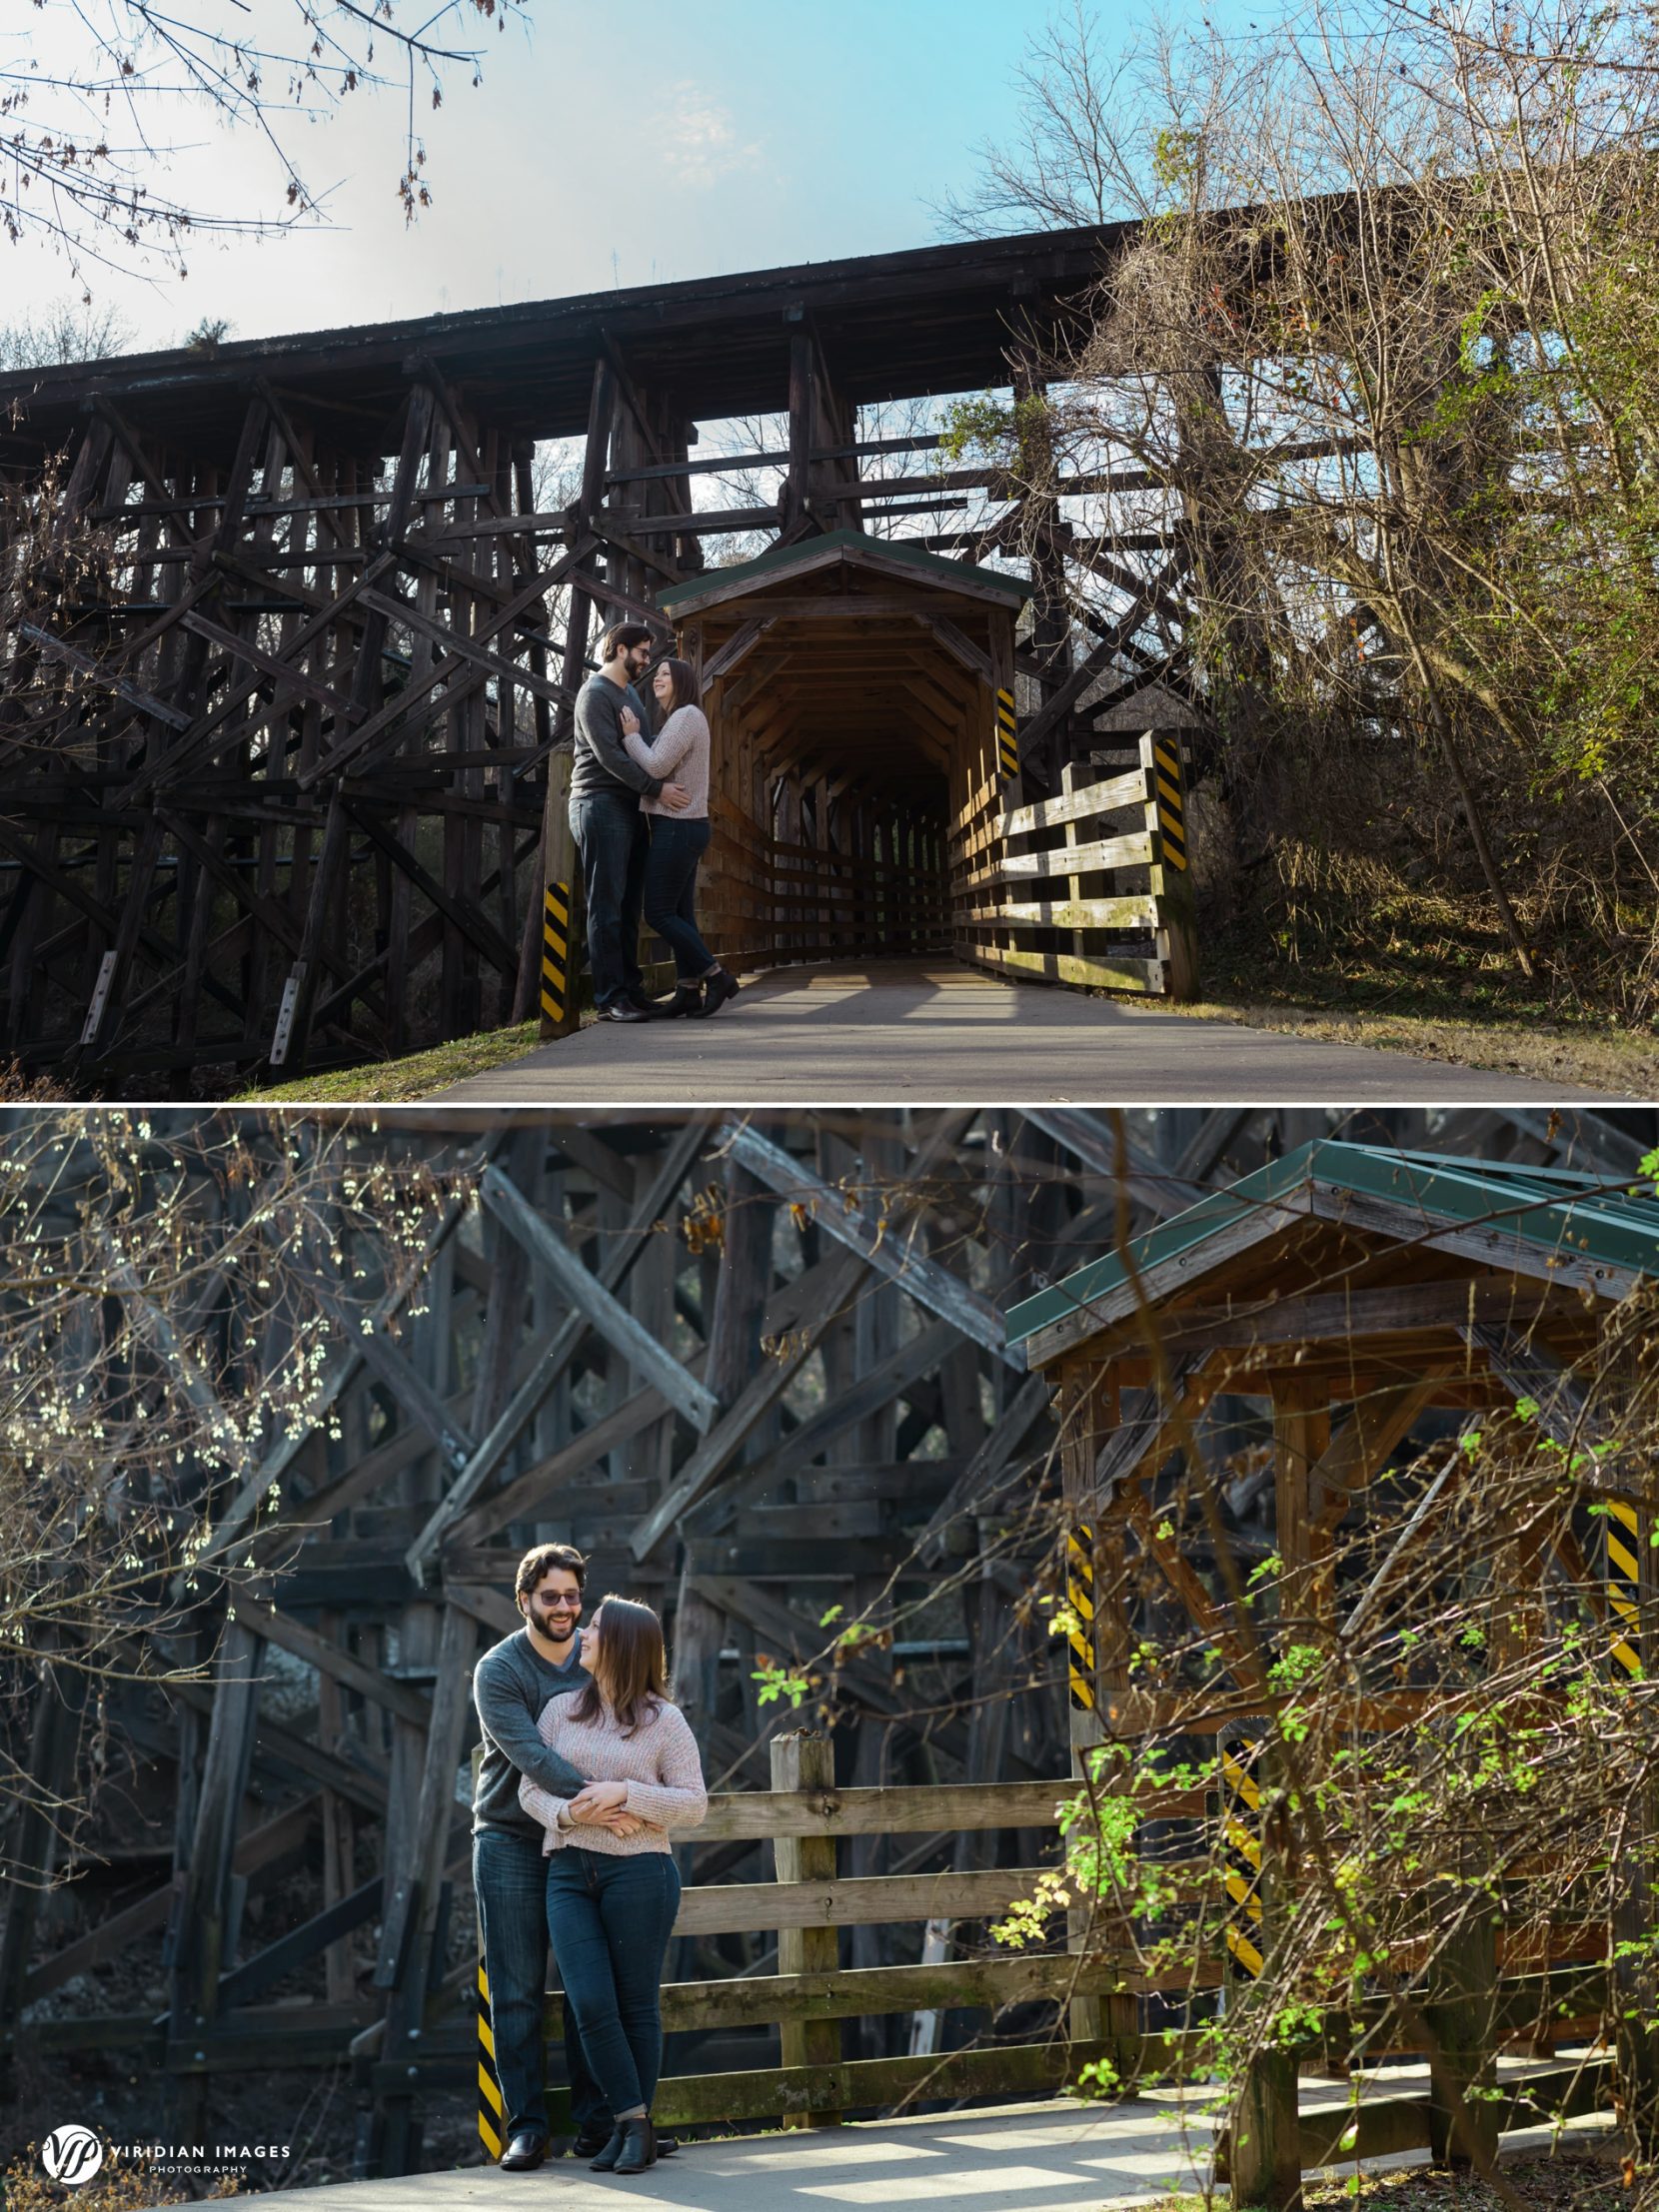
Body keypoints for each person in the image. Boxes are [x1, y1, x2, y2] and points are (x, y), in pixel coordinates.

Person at [470, 1545, 660, 2170]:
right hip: (511, 1839)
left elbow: (639, 1723)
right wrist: (603, 1801)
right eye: (549, 1597)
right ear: (524, 1601)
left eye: (572, 1596)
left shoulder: (594, 1653)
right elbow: (534, 1759)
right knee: (518, 1990)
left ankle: (603, 2123)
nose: (563, 1608)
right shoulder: (499, 1671)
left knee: (590, 1988)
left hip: (586, 1842)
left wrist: (631, 1799)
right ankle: (525, 2127)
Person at [518, 1595, 708, 2178]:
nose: (583, 1634)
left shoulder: (663, 1722)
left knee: (634, 2007)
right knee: (590, 2002)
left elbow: (695, 1804)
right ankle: (635, 2122)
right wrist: (578, 1815)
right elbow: (529, 1792)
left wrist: (626, 1793)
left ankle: (631, 2131)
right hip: (570, 1871)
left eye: (595, 1627)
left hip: (641, 1873)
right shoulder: (559, 1711)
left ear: (622, 1644)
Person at [570, 624, 692, 1024]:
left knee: (627, 906)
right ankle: (609, 998)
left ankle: (631, 992)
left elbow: (645, 748)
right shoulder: (594, 694)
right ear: (619, 649)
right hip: (600, 802)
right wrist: (658, 789)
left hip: (631, 806)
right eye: (641, 652)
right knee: (605, 905)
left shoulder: (630, 697)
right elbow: (610, 757)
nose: (646, 660)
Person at [621, 657, 741, 1018]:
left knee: (657, 912)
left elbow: (656, 766)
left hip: (678, 826)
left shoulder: (686, 716)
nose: (657, 678)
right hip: (684, 826)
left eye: (665, 674)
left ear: (683, 681)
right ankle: (689, 990)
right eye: (655, 673)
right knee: (681, 913)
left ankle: (716, 976)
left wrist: (631, 738)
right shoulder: (681, 719)